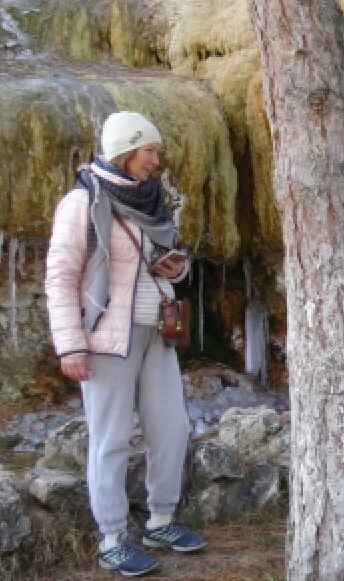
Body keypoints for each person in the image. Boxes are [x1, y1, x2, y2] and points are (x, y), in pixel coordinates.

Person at [45, 111, 205, 577]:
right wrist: (70, 345)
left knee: (171, 427)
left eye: (156, 151)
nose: (156, 160)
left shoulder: (154, 201)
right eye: (148, 151)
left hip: (158, 331)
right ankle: (112, 536)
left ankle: (161, 519)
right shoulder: (82, 203)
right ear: (124, 150)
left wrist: (178, 268)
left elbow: (161, 259)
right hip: (105, 339)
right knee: (111, 438)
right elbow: (60, 278)